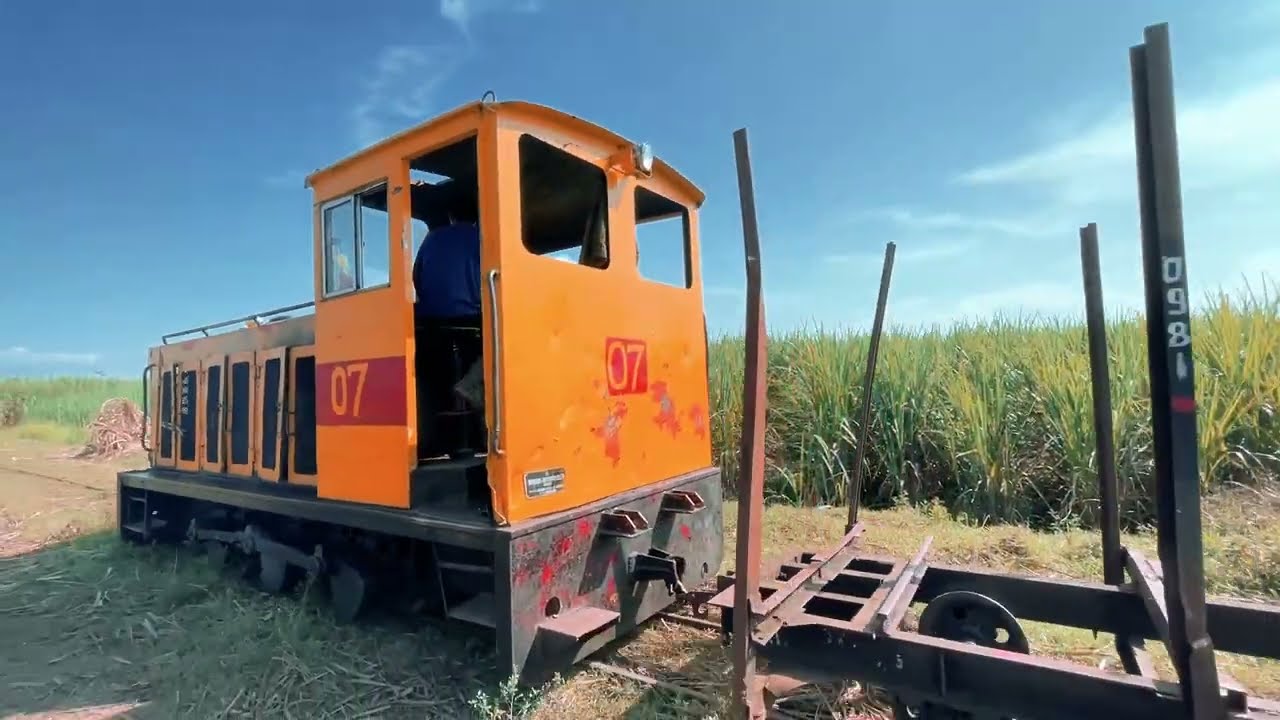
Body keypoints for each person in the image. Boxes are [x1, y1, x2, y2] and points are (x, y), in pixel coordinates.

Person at [413, 182, 485, 414]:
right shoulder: (482, 238)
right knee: (513, 337)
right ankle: (472, 385)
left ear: (451, 215)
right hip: (471, 320)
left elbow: (416, 276)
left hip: (430, 322)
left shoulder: (431, 239)